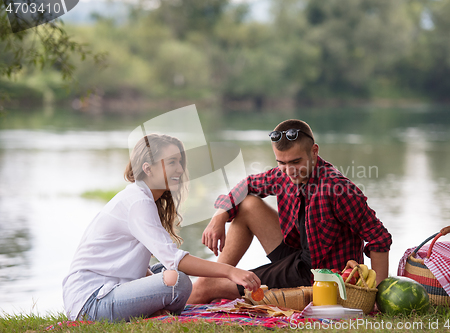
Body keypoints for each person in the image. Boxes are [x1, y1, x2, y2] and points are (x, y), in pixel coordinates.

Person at [188, 119, 392, 304]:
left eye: (296, 161)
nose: (289, 170)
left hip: (320, 278)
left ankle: (204, 288)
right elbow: (248, 184)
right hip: (297, 255)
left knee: (205, 287)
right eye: (281, 163)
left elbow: (379, 239)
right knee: (248, 204)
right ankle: (217, 274)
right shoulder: (284, 175)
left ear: (314, 151)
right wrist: (219, 216)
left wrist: (377, 299)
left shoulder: (338, 190)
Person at [62, 133, 260, 322]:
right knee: (178, 282)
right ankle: (155, 312)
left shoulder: (142, 197)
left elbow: (149, 265)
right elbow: (175, 260)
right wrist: (230, 272)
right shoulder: (137, 202)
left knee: (162, 271)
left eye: (180, 162)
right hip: (91, 302)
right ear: (148, 169)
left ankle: (154, 311)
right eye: (171, 162)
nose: (180, 169)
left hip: (105, 293)